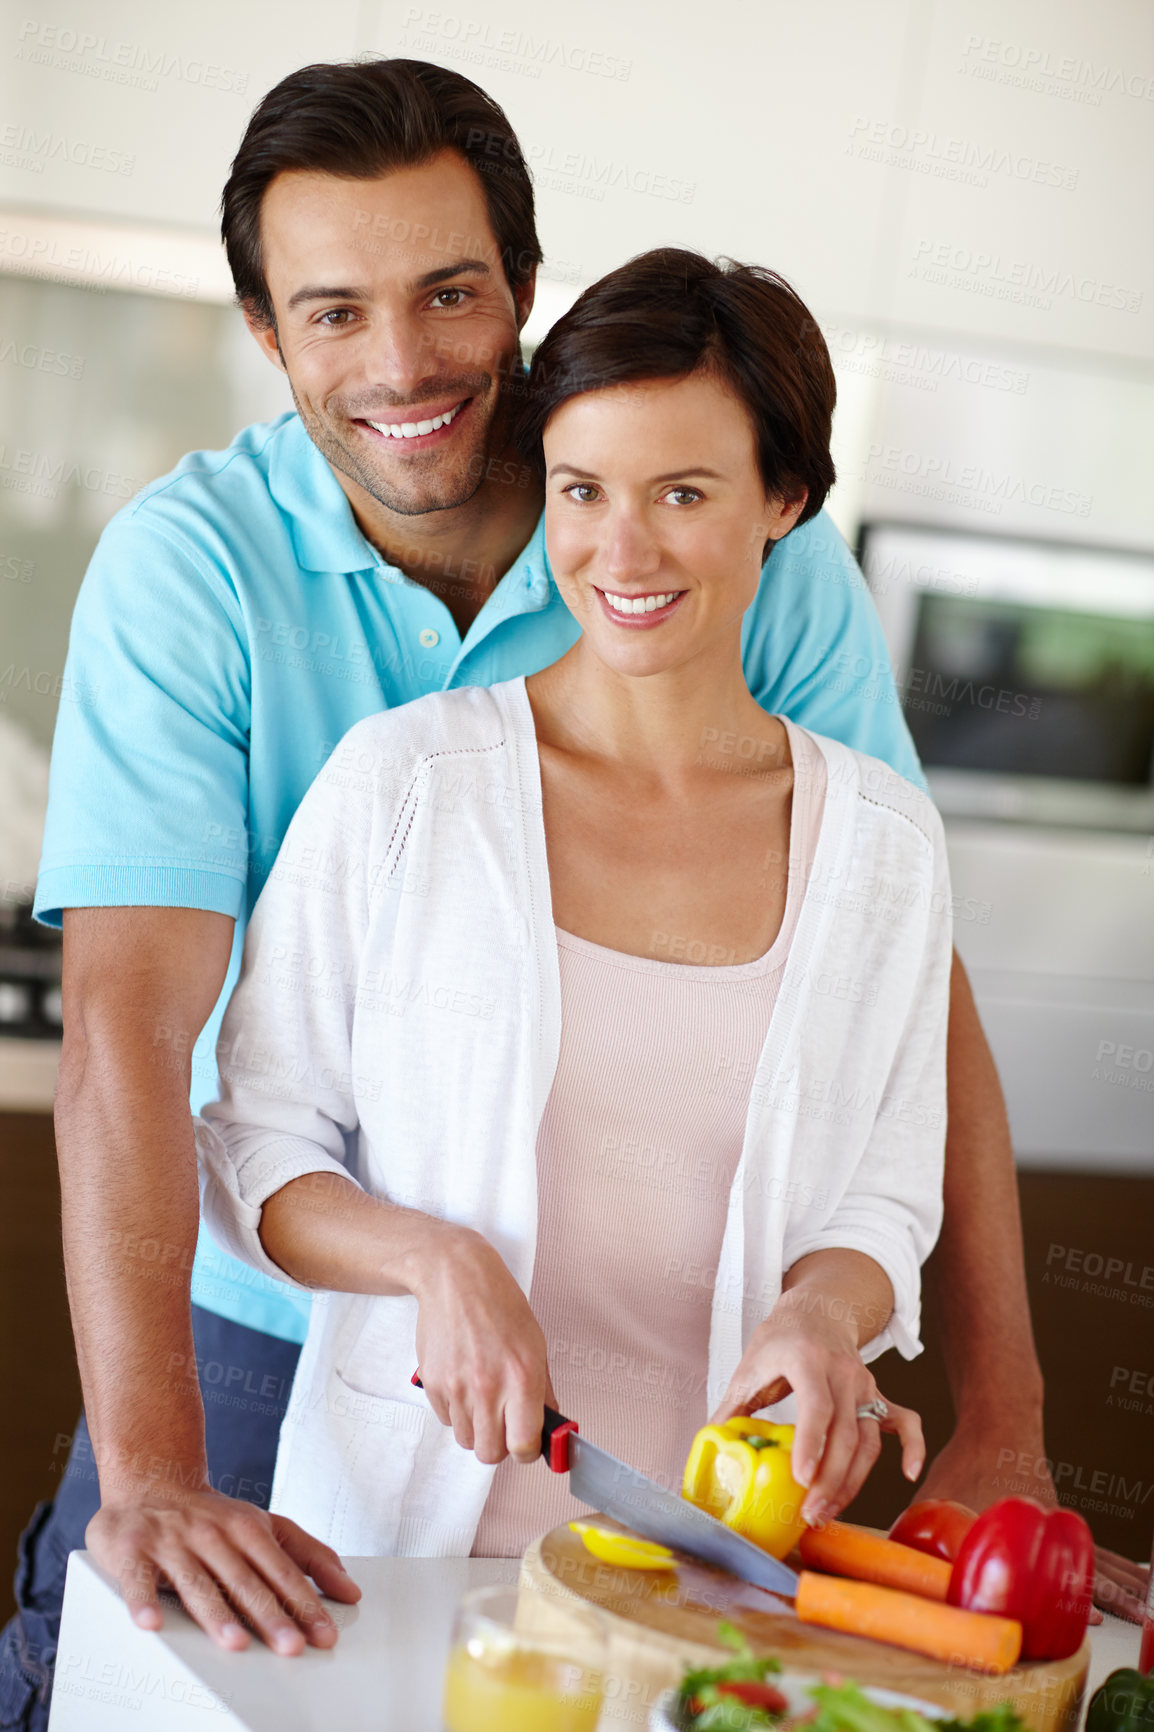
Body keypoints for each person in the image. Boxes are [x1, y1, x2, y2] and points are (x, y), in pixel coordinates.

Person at [5, 48, 1134, 1732]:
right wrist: (159, 1467)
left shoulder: (745, 558)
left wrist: (1001, 1417)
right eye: (331, 312)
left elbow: (905, 989)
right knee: (128, 1666)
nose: (400, 364)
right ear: (266, 333)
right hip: (265, 1317)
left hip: (680, 1434)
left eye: (449, 295)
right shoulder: (207, 584)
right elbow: (131, 1023)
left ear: (521, 289)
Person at [193, 247, 952, 1555]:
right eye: (582, 489)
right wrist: (433, 1259)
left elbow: (883, 1199)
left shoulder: (882, 847)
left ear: (783, 497)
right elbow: (257, 1144)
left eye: (683, 493)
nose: (622, 547)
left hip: (709, 1559)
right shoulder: (404, 785)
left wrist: (823, 1314)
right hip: (390, 1552)